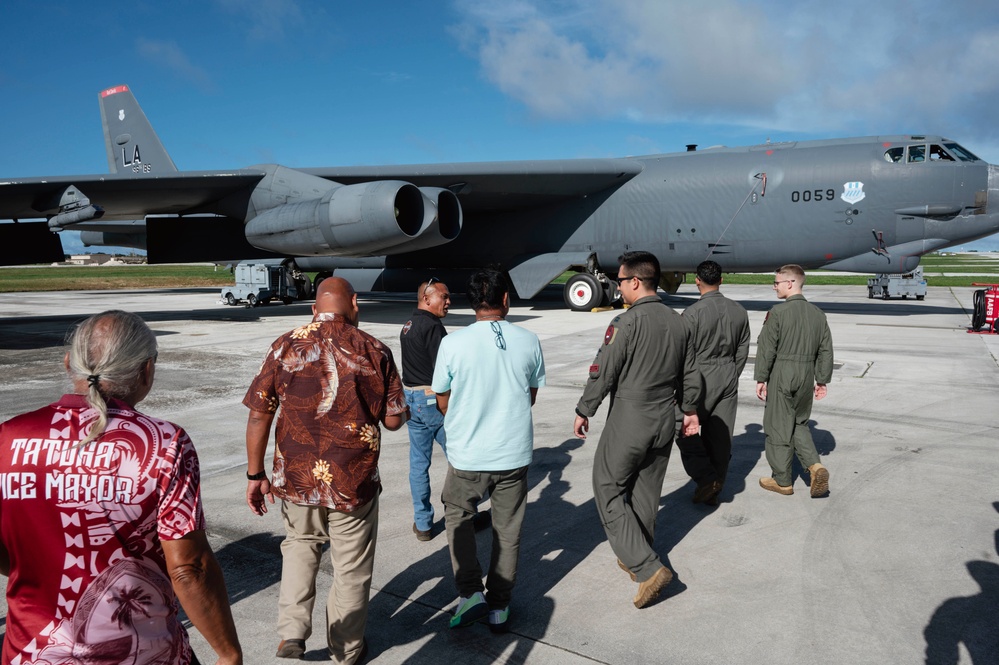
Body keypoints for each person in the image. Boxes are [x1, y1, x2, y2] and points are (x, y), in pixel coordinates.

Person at [0, 310, 242, 665]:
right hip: (142, 654)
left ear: (69, 364)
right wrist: (228, 652)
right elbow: (188, 568)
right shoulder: (165, 443)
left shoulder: (9, 438)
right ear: (146, 370)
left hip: (31, 653)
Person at [243, 277, 408, 663]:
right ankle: (346, 649)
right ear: (354, 303)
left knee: (300, 546)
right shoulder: (374, 348)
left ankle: (292, 634)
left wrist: (255, 475)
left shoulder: (285, 344)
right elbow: (395, 421)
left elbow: (258, 414)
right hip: (353, 480)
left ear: (314, 308)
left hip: (295, 476)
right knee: (350, 567)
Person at [573, 251, 701, 609]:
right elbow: (691, 374)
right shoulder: (679, 322)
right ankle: (639, 555)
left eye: (620, 280)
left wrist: (585, 409)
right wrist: (689, 411)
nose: (618, 286)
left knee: (607, 486)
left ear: (634, 282)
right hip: (666, 414)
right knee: (646, 492)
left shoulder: (626, 323)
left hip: (631, 413)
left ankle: (646, 568)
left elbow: (605, 370)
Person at [432, 268, 545, 634]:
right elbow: (529, 395)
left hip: (467, 454)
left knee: (458, 518)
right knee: (507, 530)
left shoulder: (453, 343)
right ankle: (499, 606)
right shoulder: (529, 340)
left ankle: (470, 594)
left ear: (471, 304)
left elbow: (442, 399)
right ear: (506, 300)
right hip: (513, 453)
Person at [754, 264, 833, 497]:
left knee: (778, 426)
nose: (774, 287)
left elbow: (766, 349)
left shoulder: (778, 313)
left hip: (783, 372)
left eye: (777, 283)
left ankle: (782, 481)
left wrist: (761, 378)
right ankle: (815, 466)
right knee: (799, 423)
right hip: (807, 373)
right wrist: (822, 380)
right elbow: (826, 350)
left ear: (790, 283)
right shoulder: (818, 314)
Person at [676, 260, 750, 506]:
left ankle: (705, 479)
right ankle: (715, 486)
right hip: (728, 373)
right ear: (721, 280)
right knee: (721, 436)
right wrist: (731, 373)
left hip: (699, 375)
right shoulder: (739, 310)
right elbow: (743, 349)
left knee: (683, 429)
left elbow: (682, 354)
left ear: (697, 280)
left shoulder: (691, 314)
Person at [400, 278, 451, 541]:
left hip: (412, 399)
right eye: (444, 297)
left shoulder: (408, 325)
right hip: (432, 401)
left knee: (419, 464)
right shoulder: (432, 327)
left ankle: (423, 524)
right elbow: (443, 373)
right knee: (461, 459)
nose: (448, 302)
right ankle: (462, 513)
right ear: (426, 298)